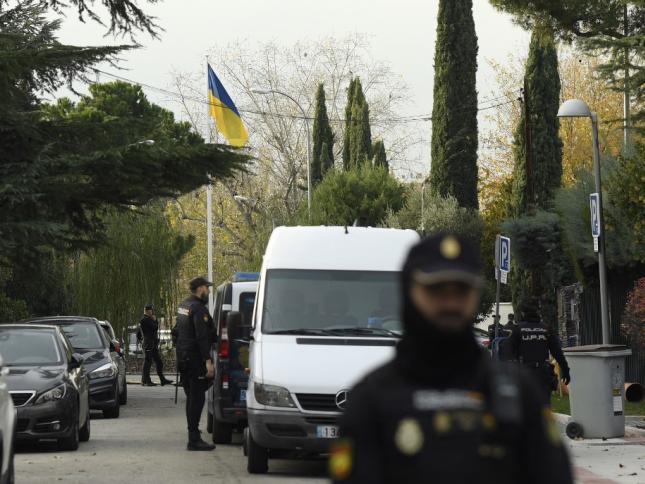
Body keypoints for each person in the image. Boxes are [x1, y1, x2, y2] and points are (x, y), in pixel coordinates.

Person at [330, 233, 573, 484]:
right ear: (409, 291)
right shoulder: (371, 399)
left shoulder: (519, 394)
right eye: (436, 289)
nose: (450, 303)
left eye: (462, 290)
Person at [173, 277, 217, 451]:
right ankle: (194, 439)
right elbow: (202, 337)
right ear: (200, 289)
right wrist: (208, 361)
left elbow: (176, 332)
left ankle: (193, 434)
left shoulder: (184, 306)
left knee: (191, 397)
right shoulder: (198, 309)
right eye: (207, 287)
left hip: (183, 358)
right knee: (197, 399)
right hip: (194, 359)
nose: (209, 290)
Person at [510, 301, 571, 403]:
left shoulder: (518, 330)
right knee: (544, 406)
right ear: (538, 312)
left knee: (526, 406)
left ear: (523, 313)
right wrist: (565, 370)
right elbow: (557, 353)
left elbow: (508, 352)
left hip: (524, 374)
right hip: (543, 374)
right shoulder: (546, 328)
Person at [139, 304, 173, 387]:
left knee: (159, 362)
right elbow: (155, 327)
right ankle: (146, 380)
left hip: (153, 344)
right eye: (152, 310)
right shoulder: (145, 319)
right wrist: (155, 321)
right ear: (147, 311)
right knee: (148, 362)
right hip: (149, 344)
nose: (153, 312)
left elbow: (139, 334)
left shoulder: (148, 319)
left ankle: (162, 379)